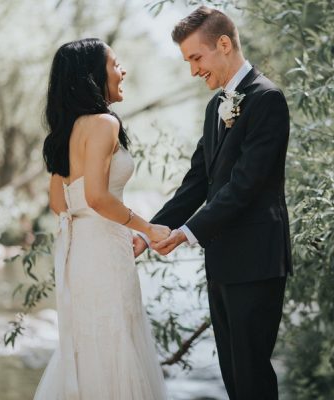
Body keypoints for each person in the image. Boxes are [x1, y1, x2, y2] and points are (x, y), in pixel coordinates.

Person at [133, 6, 292, 399]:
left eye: (196, 58)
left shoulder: (267, 99)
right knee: (234, 376)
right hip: (222, 262)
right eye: (188, 61)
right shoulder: (214, 107)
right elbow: (196, 183)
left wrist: (187, 234)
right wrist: (148, 230)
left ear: (224, 44)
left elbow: (243, 187)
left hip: (257, 261)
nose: (193, 70)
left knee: (252, 375)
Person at [35, 38, 168, 400]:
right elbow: (97, 197)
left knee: (88, 343)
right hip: (104, 254)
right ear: (93, 75)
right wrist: (147, 228)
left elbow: (57, 204)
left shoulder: (65, 131)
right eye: (115, 64)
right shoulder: (104, 124)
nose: (122, 70)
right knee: (116, 341)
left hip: (78, 253)